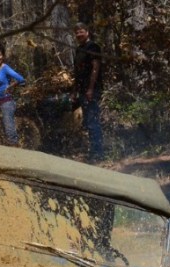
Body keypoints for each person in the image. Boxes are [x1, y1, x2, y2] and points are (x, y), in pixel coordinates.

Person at [73, 22, 104, 162]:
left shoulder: (93, 47)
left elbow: (95, 68)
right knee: (87, 121)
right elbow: (77, 72)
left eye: (81, 31)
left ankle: (98, 153)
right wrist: (74, 90)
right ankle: (93, 150)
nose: (79, 34)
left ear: (87, 32)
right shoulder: (79, 49)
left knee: (93, 120)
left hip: (92, 89)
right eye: (77, 32)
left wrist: (91, 88)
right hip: (82, 90)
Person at [0, 45, 26, 146]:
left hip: (6, 102)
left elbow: (21, 79)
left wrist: (10, 86)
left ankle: (16, 151)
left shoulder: (5, 68)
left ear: (3, 56)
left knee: (9, 129)